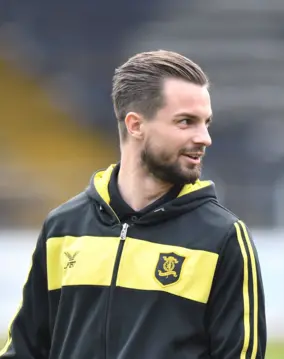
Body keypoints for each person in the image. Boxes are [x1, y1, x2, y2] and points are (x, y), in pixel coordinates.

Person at [0, 50, 267, 359]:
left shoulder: (223, 238)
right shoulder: (64, 227)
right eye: (186, 122)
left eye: (206, 123)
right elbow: (25, 348)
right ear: (135, 125)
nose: (204, 137)